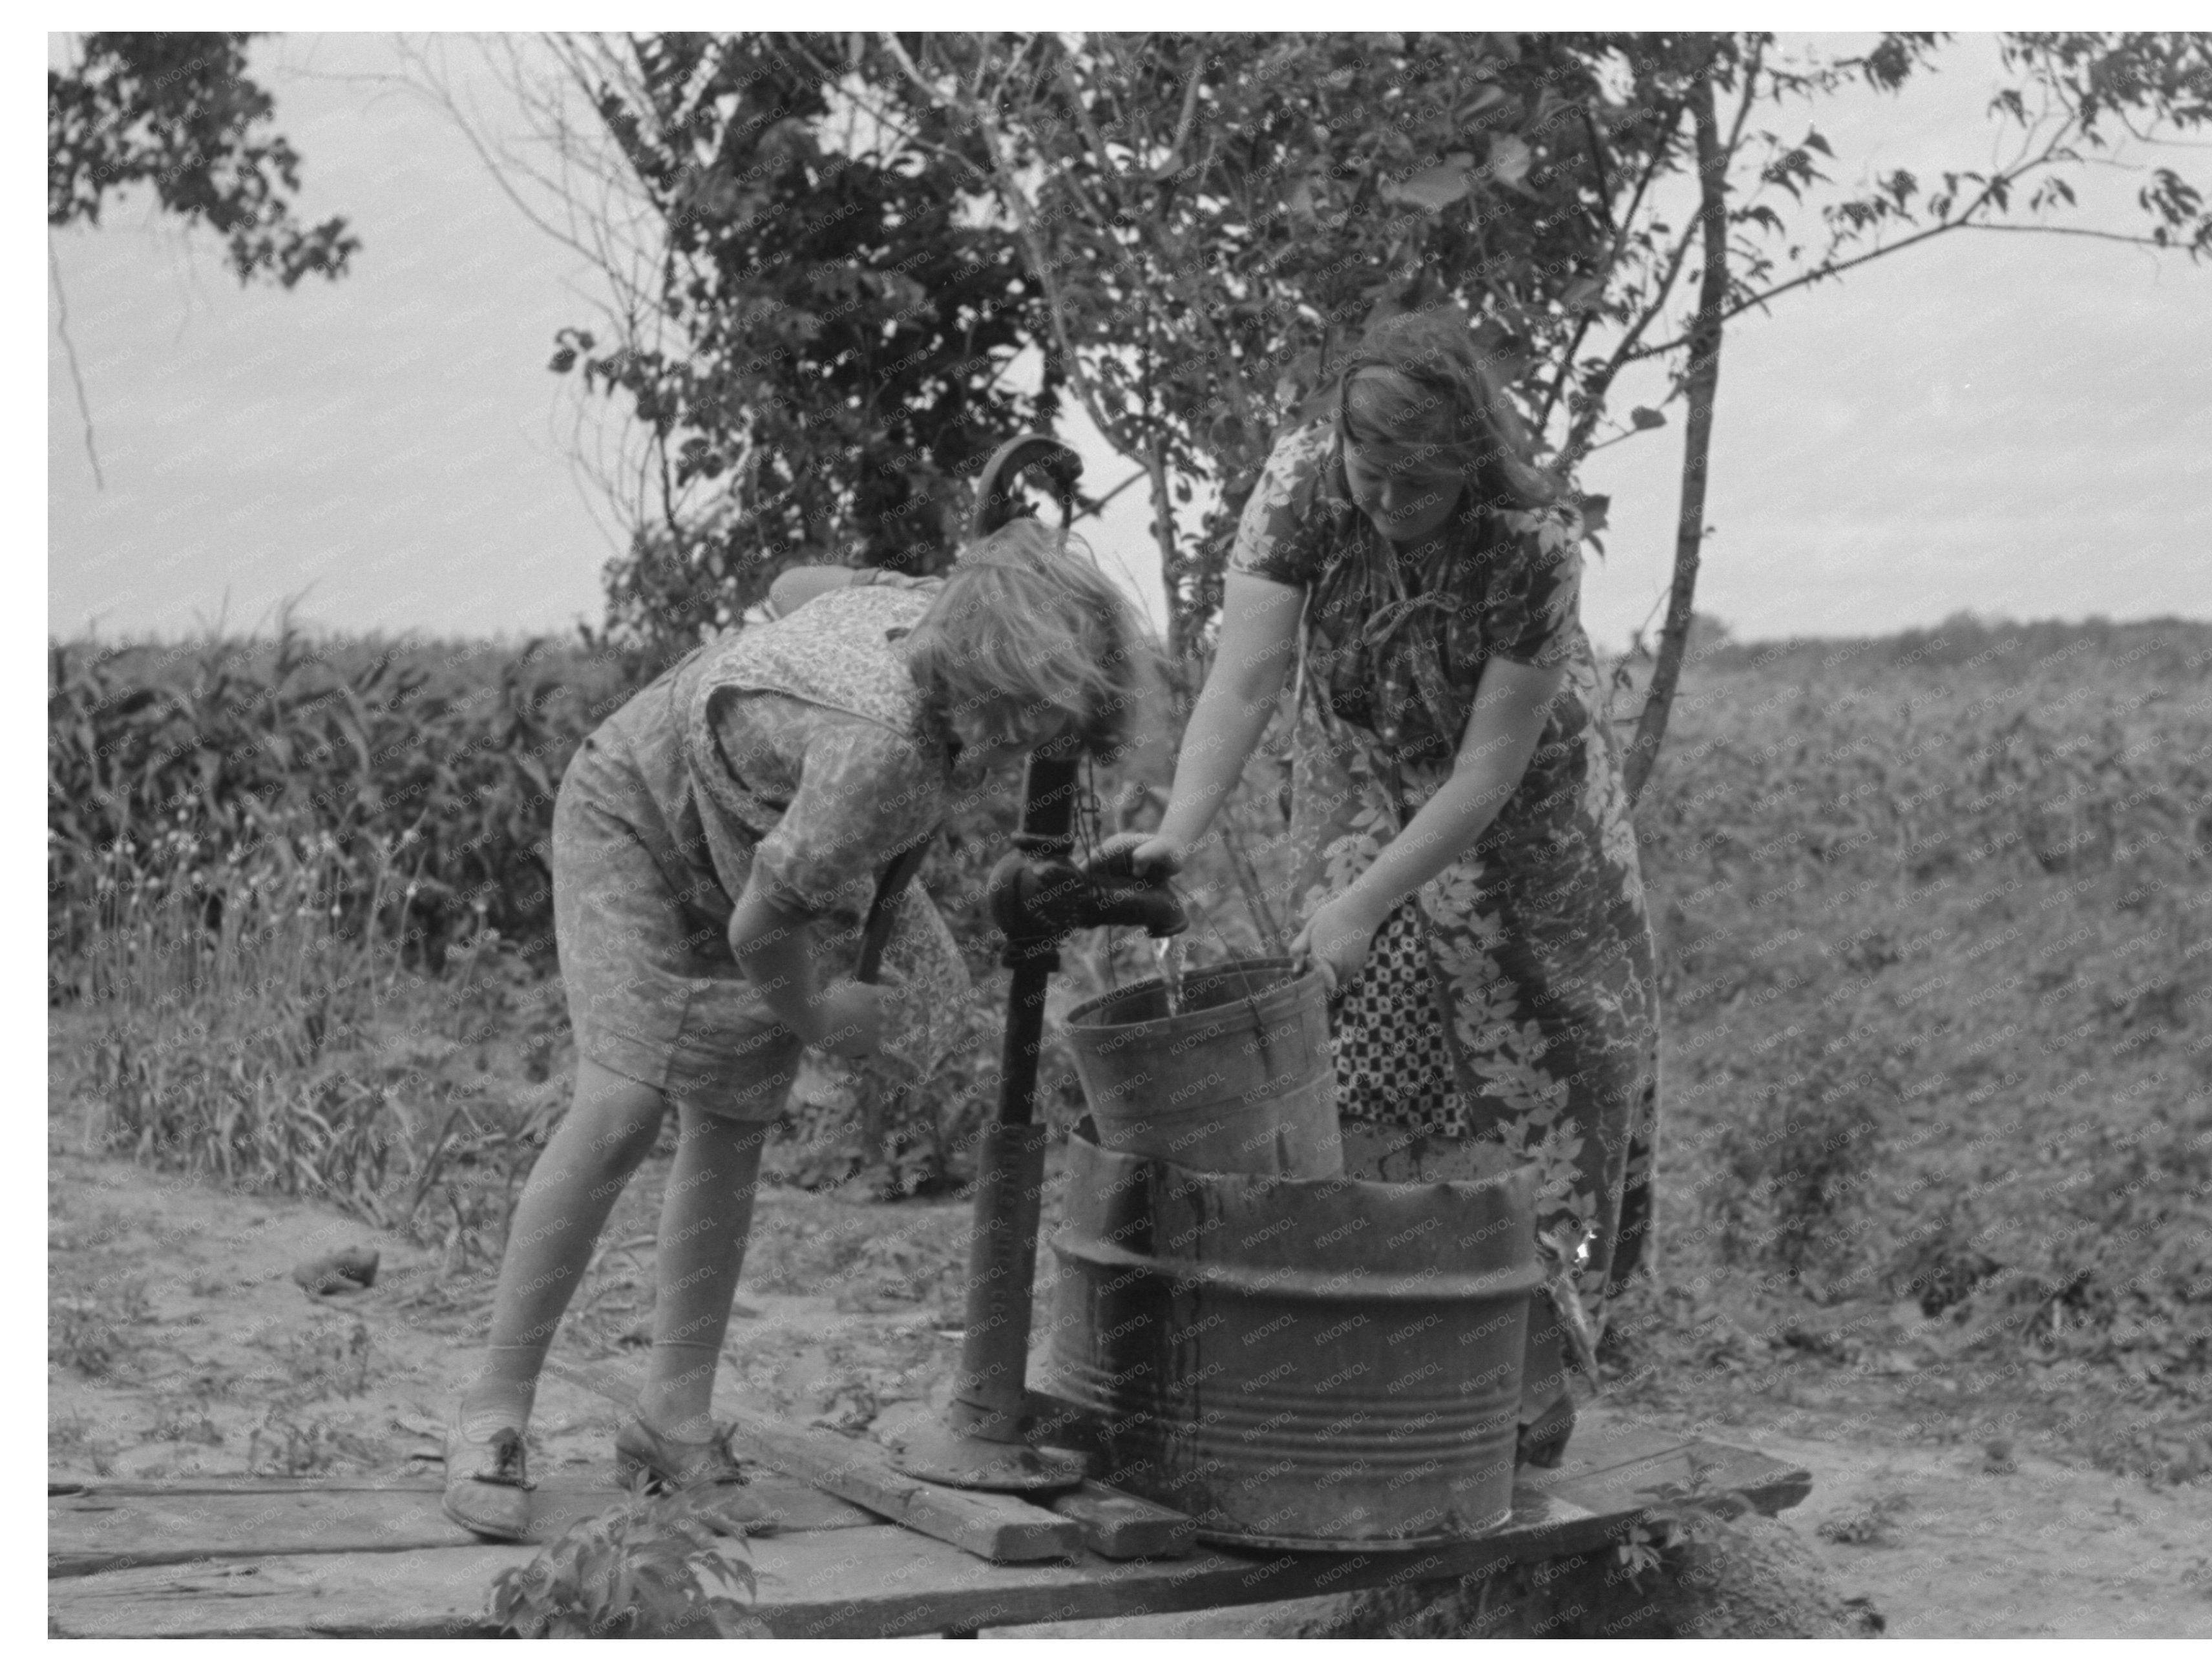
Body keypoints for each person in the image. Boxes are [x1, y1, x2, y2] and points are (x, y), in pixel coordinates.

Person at [442, 521, 1151, 1540]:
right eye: (1027, 721)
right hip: (637, 812)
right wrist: (822, 1012)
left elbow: (790, 585)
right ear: (989, 676)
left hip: (755, 836)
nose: (1026, 749)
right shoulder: (885, 759)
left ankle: (671, 1422)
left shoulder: (922, 605)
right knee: (622, 1108)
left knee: (731, 1122)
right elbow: (760, 932)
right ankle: (494, 1412)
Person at [1091, 311, 1661, 1465]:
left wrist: (1369, 903)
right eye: (1373, 471)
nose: (1391, 501)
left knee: (1551, 1071)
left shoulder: (1531, 545)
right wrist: (1181, 828)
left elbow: (1487, 772)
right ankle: (1379, 1357)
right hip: (1359, 771)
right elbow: (1245, 677)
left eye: (1421, 482)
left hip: (1523, 816)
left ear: (1471, 462)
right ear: (1341, 441)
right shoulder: (1303, 482)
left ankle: (1524, 1381)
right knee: (1356, 1048)